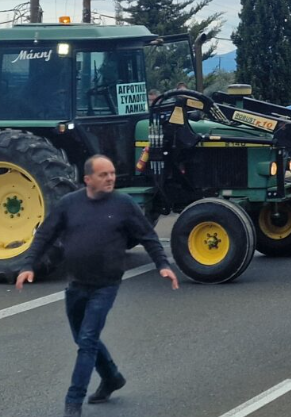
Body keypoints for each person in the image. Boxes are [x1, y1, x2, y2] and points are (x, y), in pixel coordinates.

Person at [16, 155, 179, 417]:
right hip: (77, 284)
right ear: (88, 179)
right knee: (82, 338)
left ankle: (73, 402)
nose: (111, 178)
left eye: (112, 173)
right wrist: (27, 266)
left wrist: (163, 264)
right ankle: (112, 377)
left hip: (106, 285)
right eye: (104, 175)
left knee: (87, 341)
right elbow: (45, 235)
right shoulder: (69, 204)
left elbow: (147, 235)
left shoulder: (123, 204)